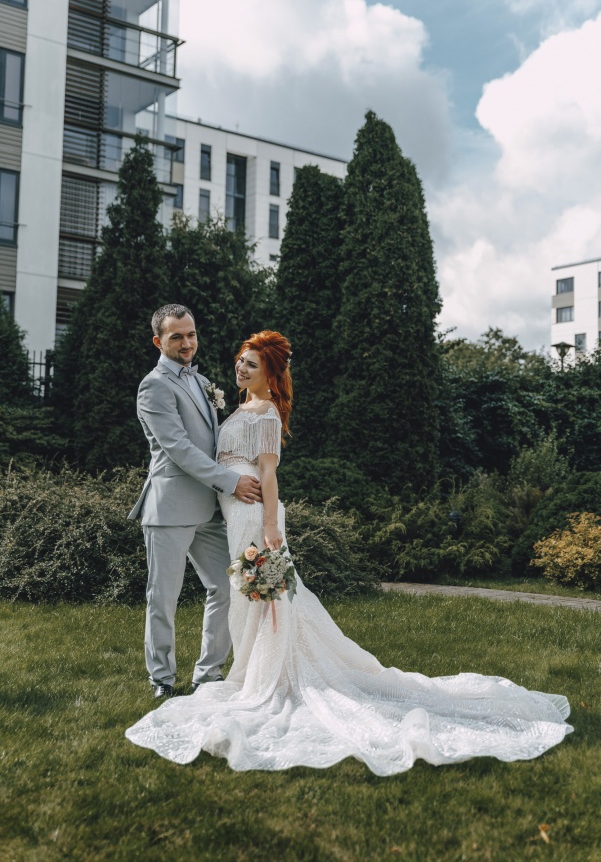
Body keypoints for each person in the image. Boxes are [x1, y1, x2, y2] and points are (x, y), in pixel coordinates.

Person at [126, 330, 573, 775]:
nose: (241, 367)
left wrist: (270, 525)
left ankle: (257, 675)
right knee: (243, 597)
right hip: (226, 511)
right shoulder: (233, 403)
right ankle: (231, 672)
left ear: (271, 374)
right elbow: (194, 449)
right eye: (242, 360)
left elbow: (268, 473)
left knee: (262, 598)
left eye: (252, 364)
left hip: (252, 514)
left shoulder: (266, 414)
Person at [129, 304, 262, 700]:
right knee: (163, 597)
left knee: (229, 585)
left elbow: (214, 441)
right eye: (177, 337)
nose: (186, 343)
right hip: (170, 507)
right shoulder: (153, 386)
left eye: (191, 334)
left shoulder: (201, 381)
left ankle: (208, 673)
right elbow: (179, 450)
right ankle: (162, 679)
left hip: (208, 507)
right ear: (158, 341)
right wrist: (232, 482)